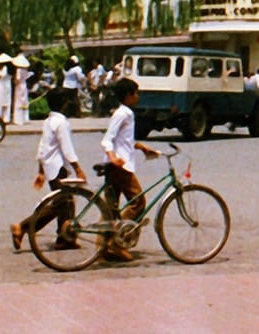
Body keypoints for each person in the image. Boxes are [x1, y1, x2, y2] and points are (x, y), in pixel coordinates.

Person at [10, 89, 86, 251]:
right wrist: (78, 169)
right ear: (65, 104)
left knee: (66, 203)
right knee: (61, 203)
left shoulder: (48, 121)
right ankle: (23, 227)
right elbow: (67, 148)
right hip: (58, 168)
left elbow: (43, 148)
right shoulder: (61, 123)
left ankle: (64, 238)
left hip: (51, 168)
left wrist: (41, 171)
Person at [100, 77, 159, 261]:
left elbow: (123, 140)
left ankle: (103, 248)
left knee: (110, 209)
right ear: (128, 95)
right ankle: (116, 243)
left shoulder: (123, 113)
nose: (138, 97)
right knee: (138, 202)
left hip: (115, 165)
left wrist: (141, 146)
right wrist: (113, 158)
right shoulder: (124, 114)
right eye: (136, 93)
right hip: (121, 166)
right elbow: (107, 139)